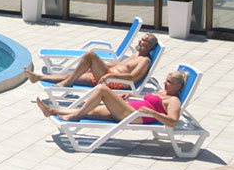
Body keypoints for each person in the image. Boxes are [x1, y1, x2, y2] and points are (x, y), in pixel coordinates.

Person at [36, 69, 188, 126]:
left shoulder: (174, 101)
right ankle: (52, 111)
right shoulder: (163, 92)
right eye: (166, 80)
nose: (164, 83)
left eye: (169, 82)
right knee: (88, 111)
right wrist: (134, 96)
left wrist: (153, 113)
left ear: (178, 86)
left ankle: (74, 116)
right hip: (128, 109)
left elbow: (173, 121)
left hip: (134, 116)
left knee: (102, 89)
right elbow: (150, 102)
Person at [24, 34, 158, 89]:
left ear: (150, 46)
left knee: (90, 55)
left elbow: (133, 77)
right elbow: (119, 65)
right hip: (108, 75)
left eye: (143, 40)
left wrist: (109, 76)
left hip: (115, 82)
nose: (140, 41)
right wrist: (103, 67)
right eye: (141, 39)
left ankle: (68, 83)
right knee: (73, 75)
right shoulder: (137, 54)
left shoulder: (144, 61)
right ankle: (38, 77)